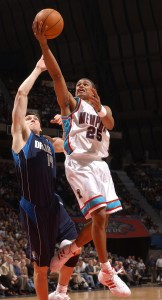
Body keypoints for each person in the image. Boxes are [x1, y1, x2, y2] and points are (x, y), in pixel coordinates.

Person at [32, 21, 131, 298]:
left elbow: (110, 123)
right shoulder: (72, 105)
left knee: (101, 223)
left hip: (101, 166)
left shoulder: (102, 108)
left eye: (85, 84)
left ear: (95, 91)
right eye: (78, 85)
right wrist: (44, 44)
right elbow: (58, 76)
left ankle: (71, 248)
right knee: (99, 215)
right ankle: (106, 271)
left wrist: (100, 107)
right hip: (81, 165)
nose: (80, 87)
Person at [11, 56, 92, 300]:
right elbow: (20, 96)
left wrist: (67, 123)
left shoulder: (47, 142)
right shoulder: (21, 139)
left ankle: (61, 291)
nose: (32, 118)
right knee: (41, 268)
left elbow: (74, 143)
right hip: (34, 209)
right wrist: (37, 69)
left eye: (35, 117)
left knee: (75, 246)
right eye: (28, 117)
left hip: (53, 204)